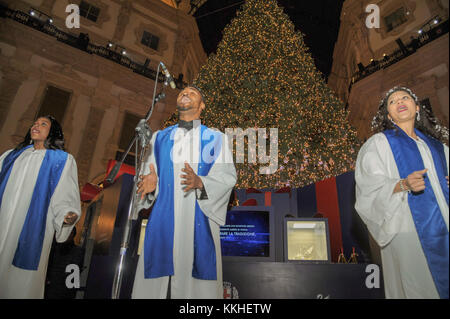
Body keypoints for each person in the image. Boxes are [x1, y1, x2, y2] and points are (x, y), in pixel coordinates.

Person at [131, 86, 237, 299]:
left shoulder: (216, 139)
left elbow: (227, 178)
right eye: (182, 92)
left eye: (193, 92)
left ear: (202, 106)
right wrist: (150, 186)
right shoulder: (159, 138)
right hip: (164, 219)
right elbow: (146, 177)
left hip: (198, 219)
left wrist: (201, 182)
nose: (185, 93)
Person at [355, 86, 449, 299]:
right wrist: (403, 184)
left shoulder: (439, 147)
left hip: (446, 223)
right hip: (407, 228)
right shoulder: (378, 144)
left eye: (405, 98)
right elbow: (369, 186)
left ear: (417, 107)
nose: (399, 102)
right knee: (417, 285)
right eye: (393, 101)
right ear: (389, 115)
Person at [0, 115, 81, 298]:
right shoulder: (10, 156)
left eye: (43, 124)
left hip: (31, 230)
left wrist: (68, 213)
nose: (36, 126)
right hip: (3, 220)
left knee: (17, 284)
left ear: (52, 132)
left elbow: (65, 194)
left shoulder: (61, 160)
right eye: (35, 123)